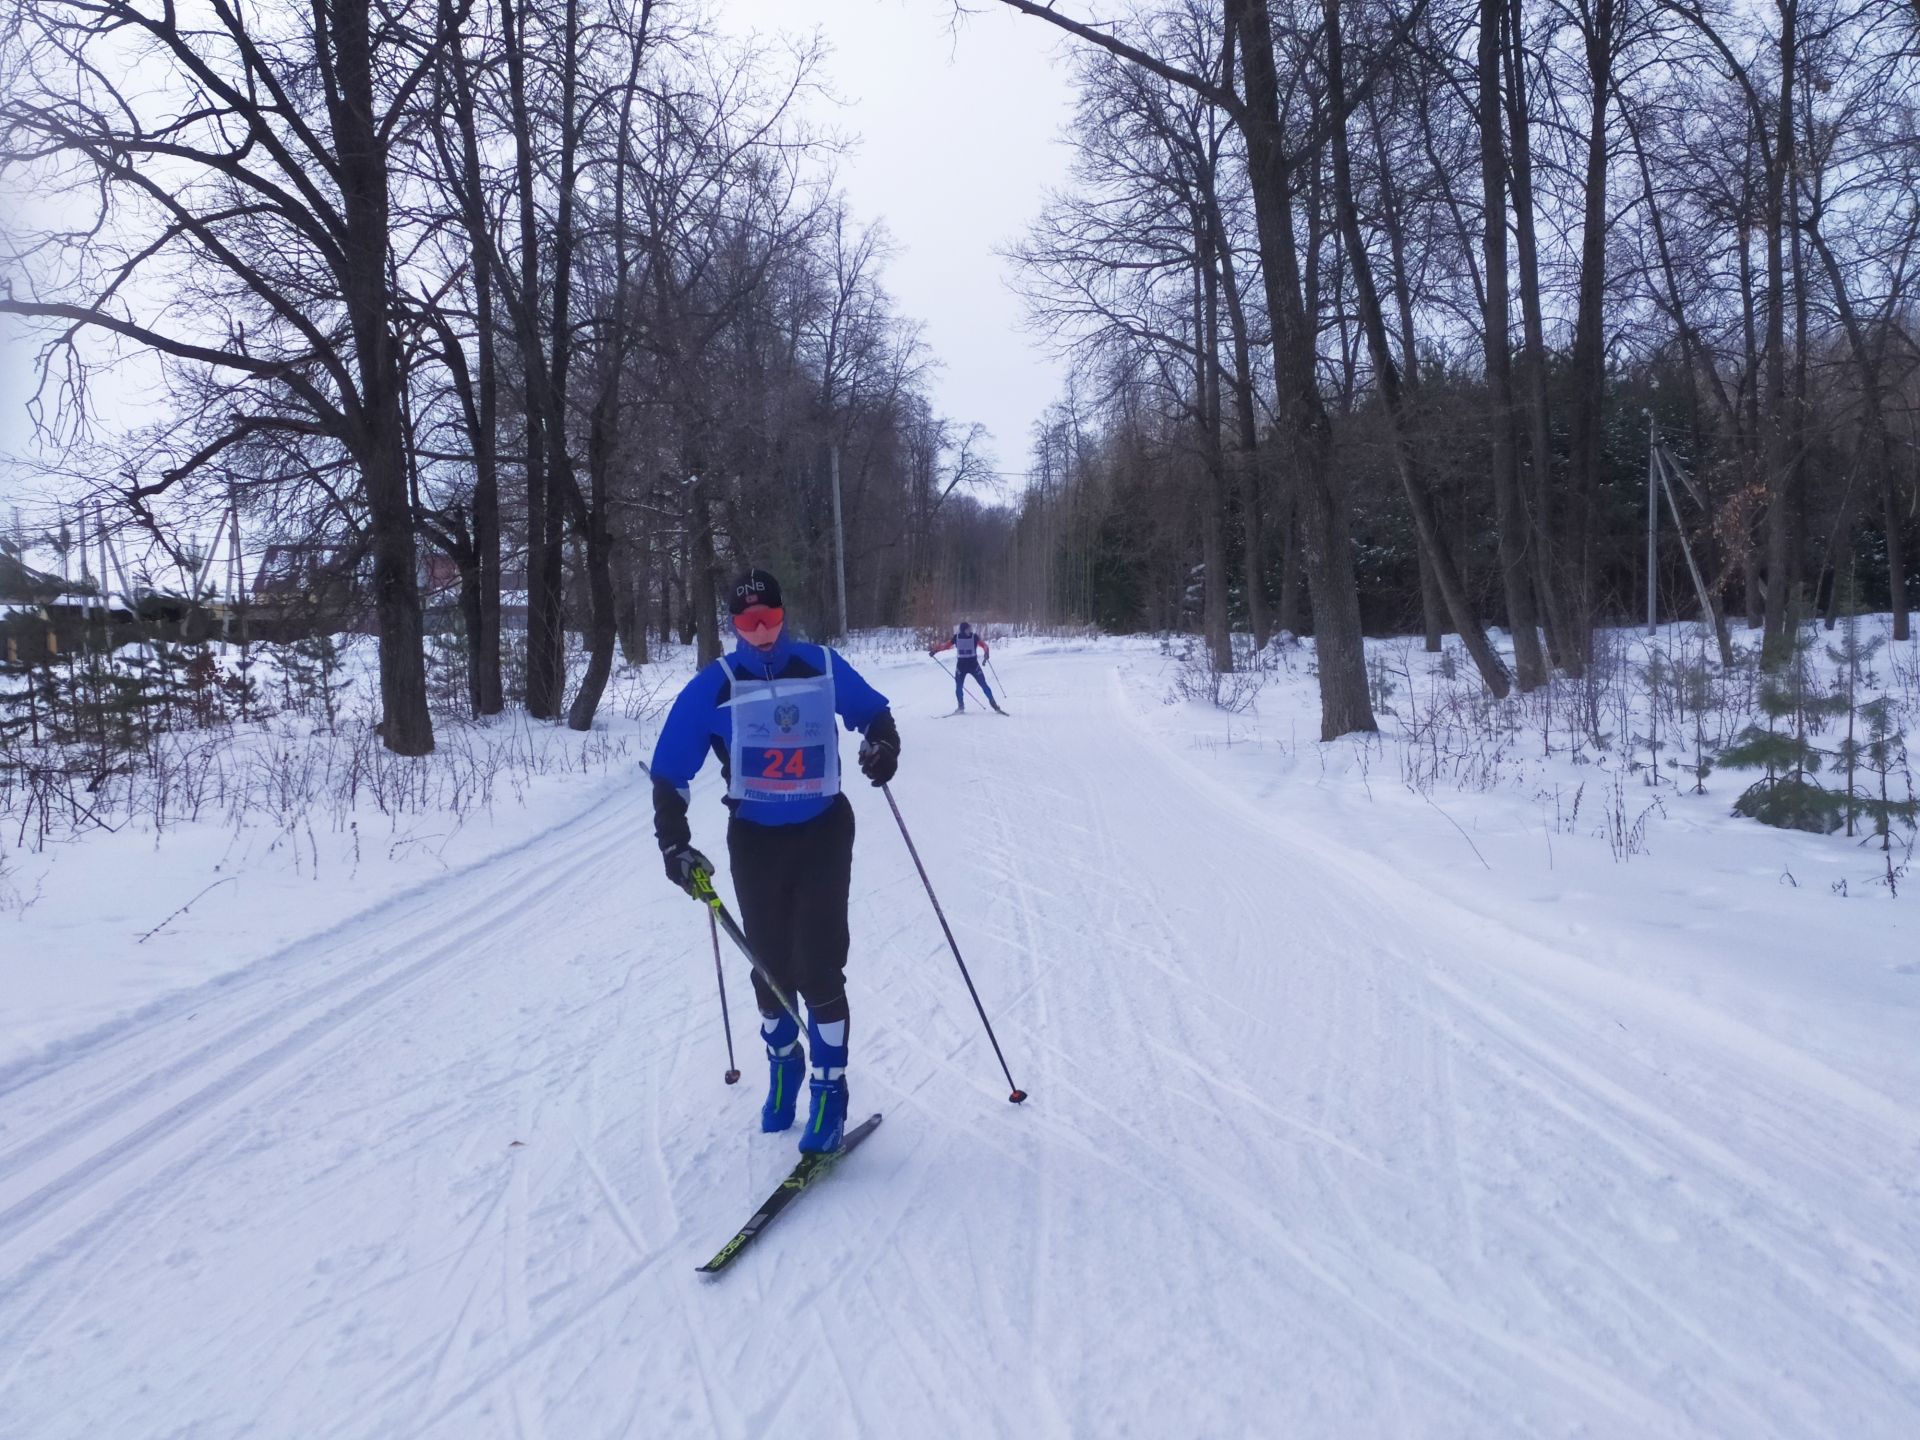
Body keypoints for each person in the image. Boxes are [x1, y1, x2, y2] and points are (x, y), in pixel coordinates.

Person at [650, 569, 900, 1154]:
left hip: (822, 832)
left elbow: (876, 714)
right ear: (732, 626)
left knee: (818, 965)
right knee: (768, 964)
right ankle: (784, 1063)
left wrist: (882, 748)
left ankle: (829, 1090)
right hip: (756, 839)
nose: (761, 633)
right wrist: (673, 841)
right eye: (746, 623)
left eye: (769, 620)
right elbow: (671, 769)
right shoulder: (716, 684)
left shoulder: (821, 665)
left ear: (784, 616)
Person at [930, 621, 1004, 714]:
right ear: (963, 630)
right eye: (968, 629)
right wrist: (935, 651)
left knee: (983, 685)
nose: (970, 630)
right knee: (958, 687)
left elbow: (984, 645)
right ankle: (961, 706)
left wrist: (986, 653)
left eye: (970, 628)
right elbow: (945, 646)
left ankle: (994, 705)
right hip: (961, 667)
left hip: (974, 666)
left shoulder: (974, 637)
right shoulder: (957, 637)